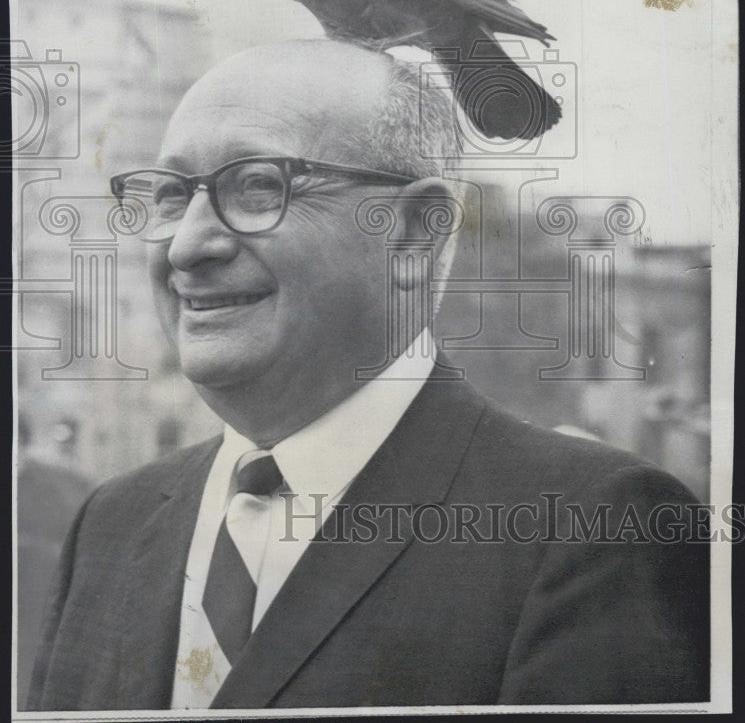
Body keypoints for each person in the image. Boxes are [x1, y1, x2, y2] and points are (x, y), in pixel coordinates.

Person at [27, 40, 709, 710]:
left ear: (414, 231)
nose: (187, 244)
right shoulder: (109, 525)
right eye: (172, 195)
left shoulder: (592, 529)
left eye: (258, 185)